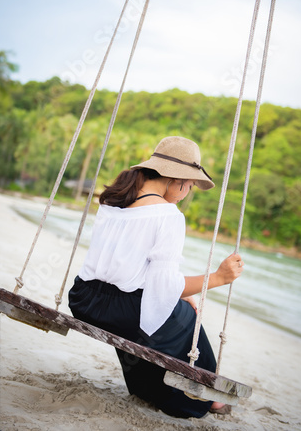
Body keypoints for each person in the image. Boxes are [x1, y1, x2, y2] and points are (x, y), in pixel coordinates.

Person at [69, 136, 244, 419]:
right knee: (185, 318)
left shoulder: (113, 201)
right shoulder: (168, 215)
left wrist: (181, 290)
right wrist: (218, 277)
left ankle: (144, 388)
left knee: (168, 310)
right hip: (123, 311)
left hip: (83, 299)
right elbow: (162, 288)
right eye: (190, 185)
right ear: (176, 179)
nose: (188, 191)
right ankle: (210, 400)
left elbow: (129, 268)